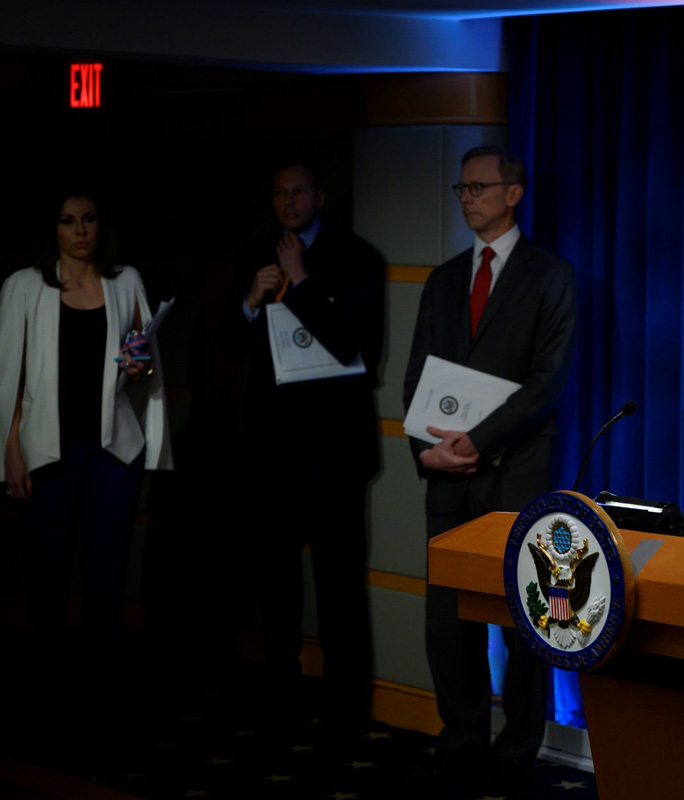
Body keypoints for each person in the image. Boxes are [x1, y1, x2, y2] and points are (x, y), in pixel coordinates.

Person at [404, 145, 577, 791]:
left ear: (513, 193)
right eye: (461, 188)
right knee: (447, 622)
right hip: (446, 477)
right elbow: (417, 376)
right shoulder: (443, 279)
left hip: (514, 473)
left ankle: (519, 744)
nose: (467, 198)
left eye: (478, 187)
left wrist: (477, 441)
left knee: (525, 615)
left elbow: (546, 383)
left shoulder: (550, 276)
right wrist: (426, 449)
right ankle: (462, 735)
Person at [219, 160, 384, 735]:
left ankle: (346, 708)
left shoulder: (357, 257)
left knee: (339, 586)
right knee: (276, 584)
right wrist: (250, 300)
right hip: (272, 451)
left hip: (336, 452)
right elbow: (227, 347)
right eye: (279, 192)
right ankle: (280, 694)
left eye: (299, 191)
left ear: (320, 195)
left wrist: (301, 280)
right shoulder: (254, 254)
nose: (288, 201)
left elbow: (353, 346)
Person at [0, 188, 172, 670]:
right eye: (68, 221)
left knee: (106, 578)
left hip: (111, 452)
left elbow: (144, 359)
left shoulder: (124, 280)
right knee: (47, 578)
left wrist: (139, 366)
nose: (80, 231)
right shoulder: (24, 285)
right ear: (52, 228)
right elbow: (10, 377)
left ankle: (103, 684)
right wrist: (11, 450)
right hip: (47, 452)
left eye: (89, 219)